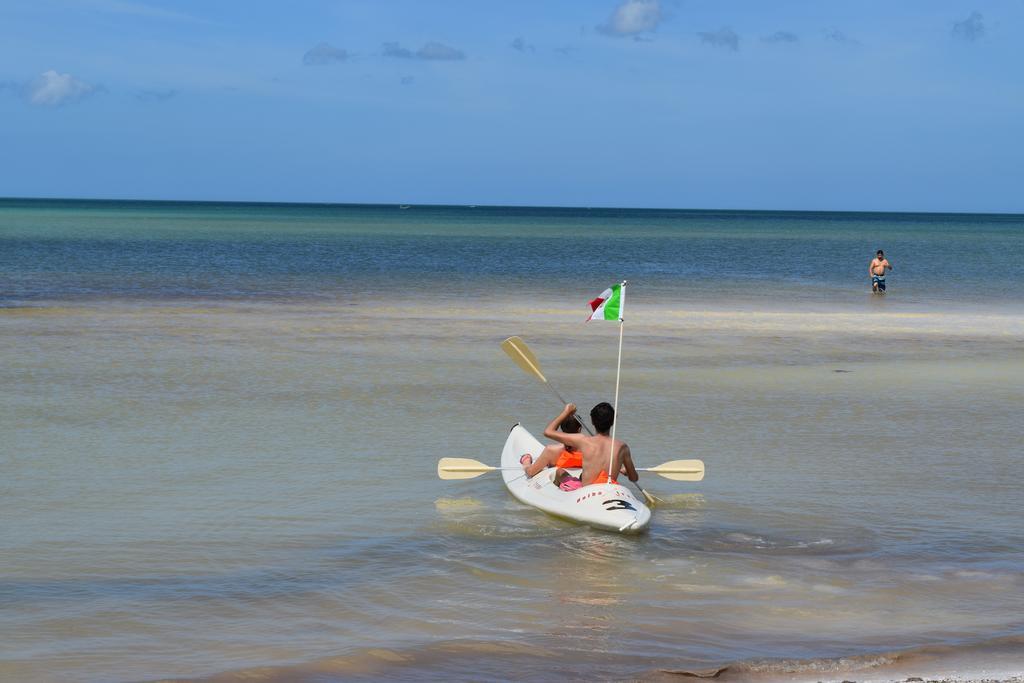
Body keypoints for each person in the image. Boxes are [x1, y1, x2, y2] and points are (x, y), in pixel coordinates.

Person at [542, 402, 638, 488]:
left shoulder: (583, 441)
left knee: (560, 472)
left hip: (587, 492)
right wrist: (626, 471)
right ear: (613, 422)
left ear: (592, 421)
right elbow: (634, 478)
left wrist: (566, 412)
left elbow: (548, 432)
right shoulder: (622, 447)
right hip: (608, 491)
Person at [519, 415, 585, 490]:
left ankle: (526, 459)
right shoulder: (591, 449)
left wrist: (526, 463)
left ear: (562, 430)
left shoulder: (552, 450)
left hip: (563, 484)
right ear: (579, 429)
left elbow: (531, 472)